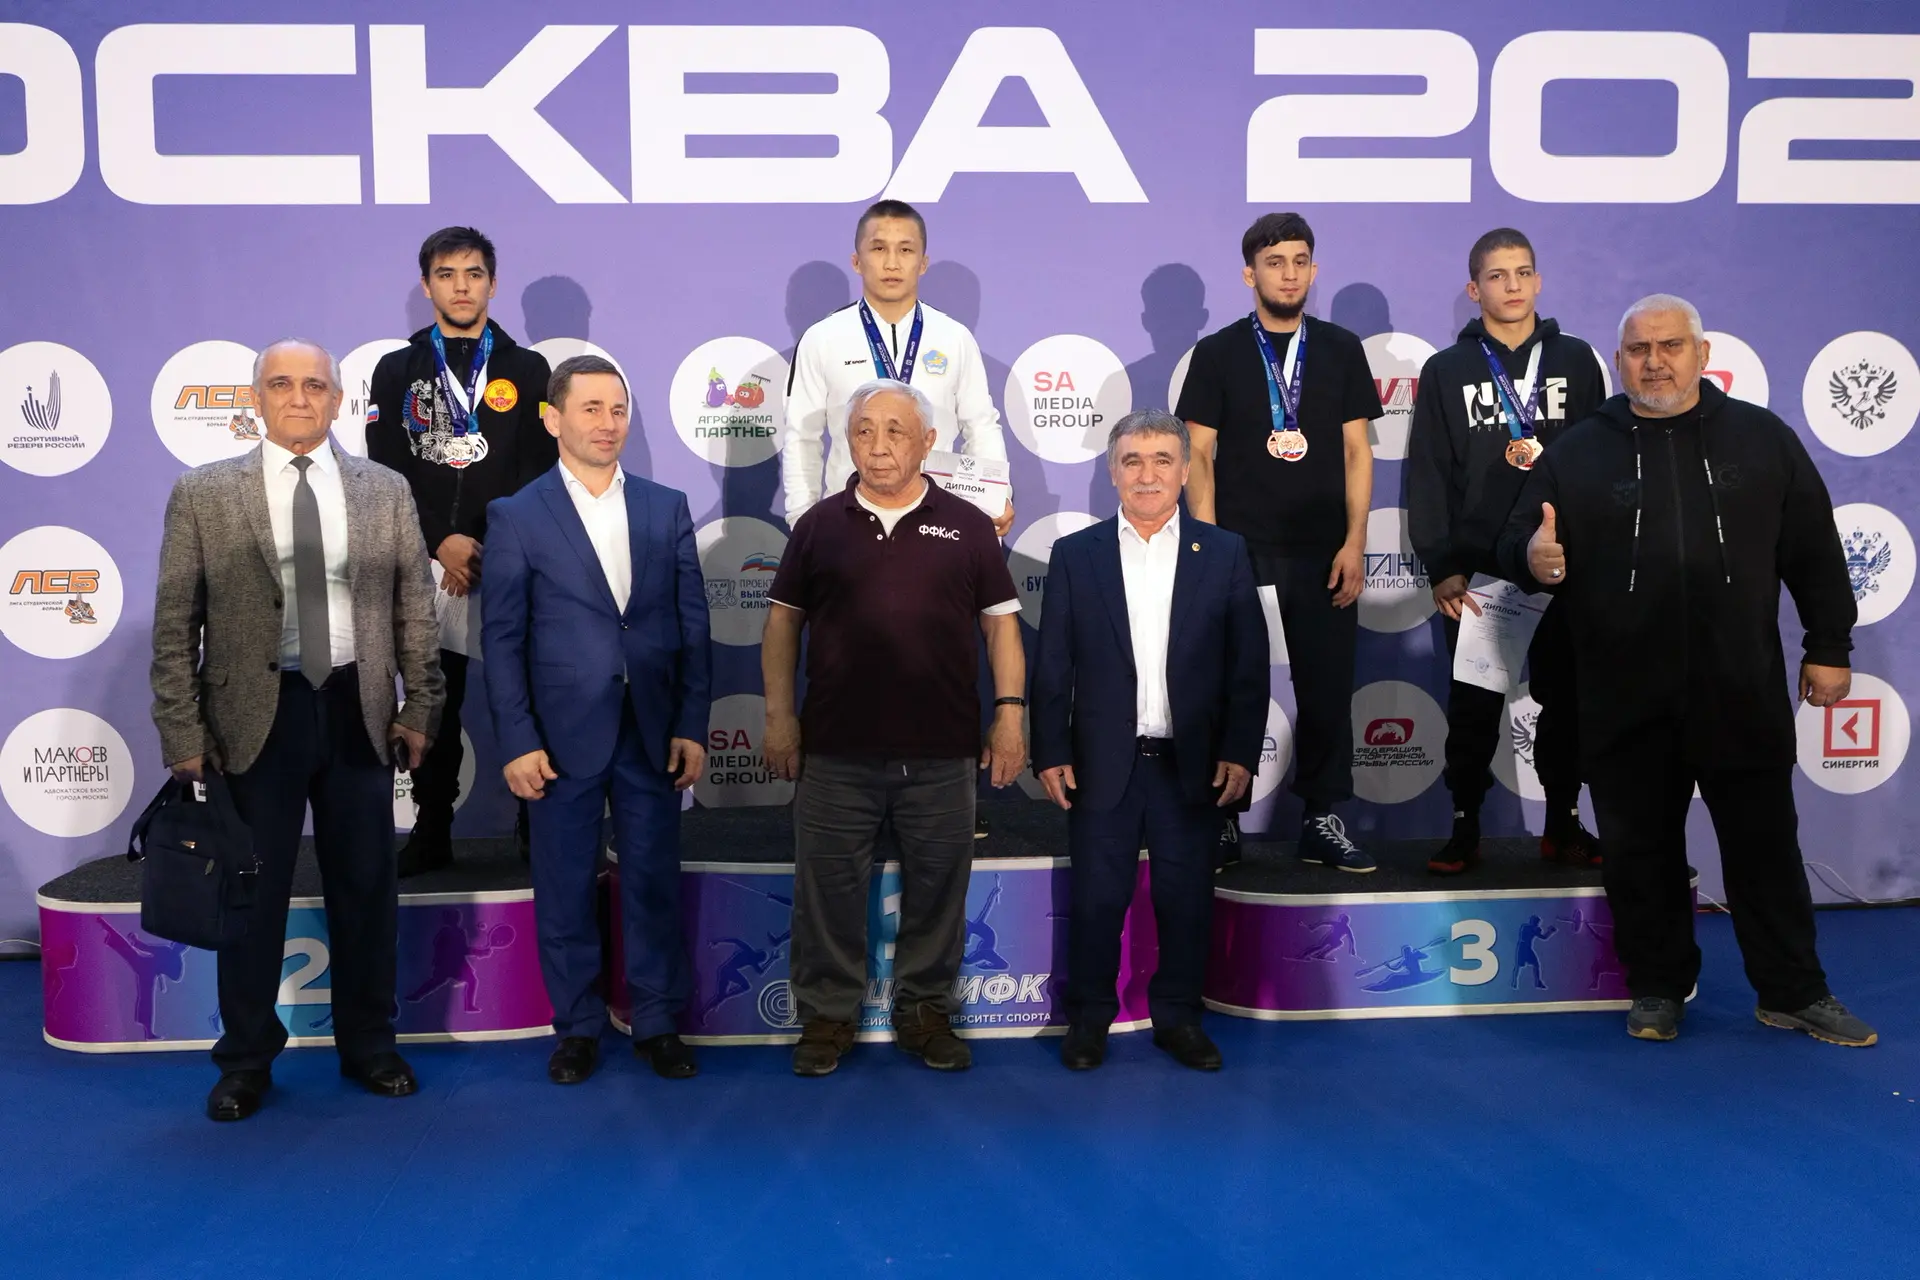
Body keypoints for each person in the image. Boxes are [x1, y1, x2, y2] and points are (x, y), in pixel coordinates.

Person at [1497, 295, 1876, 1047]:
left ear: (1702, 355)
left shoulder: (1762, 439)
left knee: (1766, 850)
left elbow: (1814, 550)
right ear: (1619, 362)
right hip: (1623, 694)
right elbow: (1516, 540)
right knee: (1640, 852)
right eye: (1639, 350)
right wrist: (1531, 557)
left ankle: (1794, 991)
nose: (1655, 362)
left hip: (1739, 688)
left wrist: (1830, 645)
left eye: (1670, 346)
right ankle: (1658, 986)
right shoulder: (1579, 450)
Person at [151, 338, 444, 1122]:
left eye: (315, 385)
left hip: (357, 711)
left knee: (366, 889)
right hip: (252, 720)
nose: (299, 398)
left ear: (338, 400)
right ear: (256, 399)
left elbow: (415, 608)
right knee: (250, 896)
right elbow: (175, 624)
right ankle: (246, 1060)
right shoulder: (203, 493)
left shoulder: (385, 490)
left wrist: (421, 705)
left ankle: (370, 1044)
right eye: (281, 384)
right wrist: (182, 730)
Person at [763, 379, 1027, 1077]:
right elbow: (782, 624)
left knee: (939, 892)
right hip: (835, 751)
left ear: (928, 442)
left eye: (895, 431)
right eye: (863, 431)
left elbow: (1002, 628)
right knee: (827, 892)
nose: (878, 446)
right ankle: (826, 1017)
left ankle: (926, 1013)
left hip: (941, 753)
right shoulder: (818, 525)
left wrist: (1009, 715)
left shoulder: (968, 525)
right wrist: (779, 717)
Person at [481, 355, 712, 1084]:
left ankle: (657, 1022)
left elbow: (693, 626)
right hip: (558, 738)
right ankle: (577, 1027)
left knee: (652, 881)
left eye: (617, 410)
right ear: (553, 419)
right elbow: (502, 639)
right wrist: (517, 740)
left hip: (651, 731)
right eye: (590, 409)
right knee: (565, 886)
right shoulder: (516, 514)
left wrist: (692, 722)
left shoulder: (665, 505)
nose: (607, 423)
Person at [1032, 410, 1268, 1071]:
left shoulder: (1224, 552)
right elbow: (1053, 665)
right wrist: (1051, 749)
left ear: (1186, 471)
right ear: (1112, 472)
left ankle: (1179, 1019)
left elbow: (1248, 665)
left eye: (1163, 460)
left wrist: (1240, 750)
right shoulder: (1076, 555)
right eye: (1132, 460)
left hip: (1190, 763)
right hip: (1100, 763)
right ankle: (1088, 1021)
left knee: (1186, 901)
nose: (1147, 474)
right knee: (1096, 900)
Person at [1177, 212, 1383, 872]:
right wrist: (1211, 545)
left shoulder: (1342, 349)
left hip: (1324, 551)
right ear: (1250, 274)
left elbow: (1358, 451)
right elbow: (1197, 454)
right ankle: (1223, 819)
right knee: (1232, 687)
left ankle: (1321, 817)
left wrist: (1355, 541)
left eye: (1299, 261)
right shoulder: (1218, 353)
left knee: (1327, 689)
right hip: (1243, 551)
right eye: (1274, 262)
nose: (1288, 274)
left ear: (1313, 270)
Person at [1406, 228, 1608, 874]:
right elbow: (1428, 473)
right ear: (1475, 289)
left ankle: (1563, 823)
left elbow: (1599, 465)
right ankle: (1464, 825)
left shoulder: (1577, 360)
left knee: (1567, 702)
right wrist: (1443, 566)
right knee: (1473, 708)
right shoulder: (1447, 370)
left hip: (1561, 568)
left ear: (1539, 281)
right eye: (1497, 275)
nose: (1512, 286)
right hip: (1479, 572)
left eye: (1523, 272)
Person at [367, 226, 555, 876]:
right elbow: (386, 470)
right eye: (446, 275)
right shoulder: (396, 371)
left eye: (473, 274)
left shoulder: (527, 370)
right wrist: (439, 541)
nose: (461, 287)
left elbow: (538, 471)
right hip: (427, 565)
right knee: (432, 701)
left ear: (493, 284)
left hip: (508, 561)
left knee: (525, 696)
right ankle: (431, 828)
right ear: (427, 286)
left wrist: (490, 545)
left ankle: (535, 824)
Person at [782, 199, 1013, 538]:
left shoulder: (954, 337)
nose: (892, 263)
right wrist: (802, 520)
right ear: (857, 261)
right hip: (848, 525)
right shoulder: (822, 338)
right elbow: (802, 435)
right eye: (879, 248)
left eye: (905, 250)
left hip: (938, 525)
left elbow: (980, 426)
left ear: (923, 263)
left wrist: (996, 497)